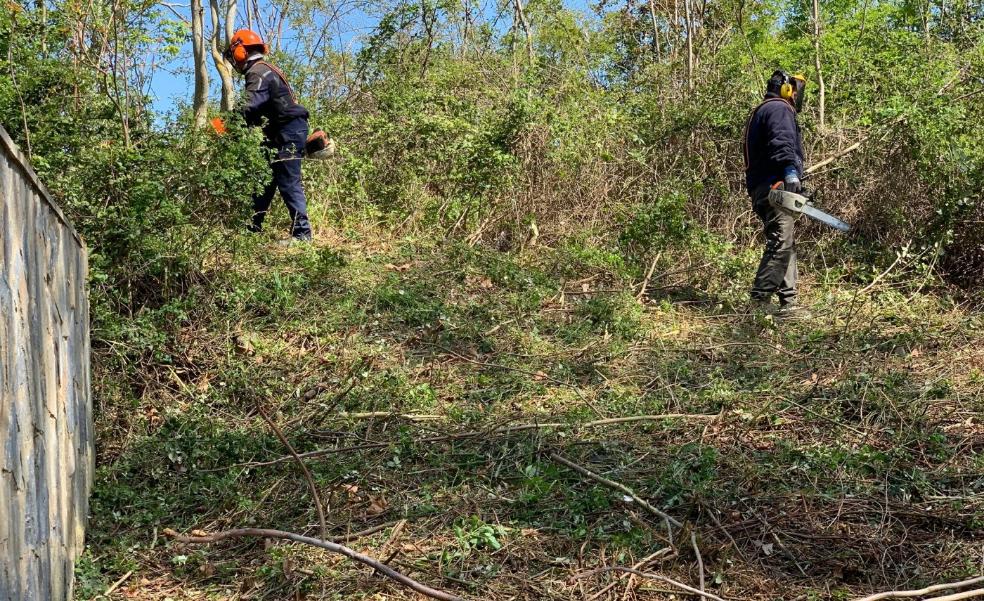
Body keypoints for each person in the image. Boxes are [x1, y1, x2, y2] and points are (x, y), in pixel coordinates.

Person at [224, 29, 313, 241]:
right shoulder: (263, 70)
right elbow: (257, 111)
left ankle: (302, 236)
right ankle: (251, 230)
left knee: (288, 181)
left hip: (288, 131)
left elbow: (249, 106)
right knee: (264, 182)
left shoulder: (258, 72)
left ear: (241, 52)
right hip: (280, 132)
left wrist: (224, 127)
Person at [742, 70, 808, 317]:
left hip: (762, 187)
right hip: (774, 185)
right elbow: (782, 143)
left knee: (786, 242)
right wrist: (790, 172)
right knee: (781, 242)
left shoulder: (763, 109)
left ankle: (788, 303)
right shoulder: (779, 109)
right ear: (787, 89)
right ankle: (758, 302)